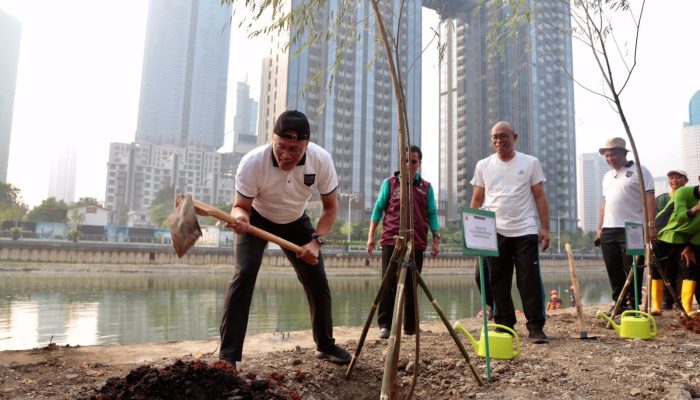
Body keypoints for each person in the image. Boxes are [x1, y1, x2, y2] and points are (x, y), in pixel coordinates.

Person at [219, 110, 350, 369]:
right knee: (244, 273)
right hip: (257, 218)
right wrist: (240, 218)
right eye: (281, 147)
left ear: (307, 145)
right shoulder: (252, 162)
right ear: (272, 139)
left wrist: (316, 242)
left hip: (295, 221)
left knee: (317, 278)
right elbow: (240, 206)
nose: (287, 155)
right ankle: (228, 357)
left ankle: (325, 344)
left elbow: (331, 208)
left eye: (295, 149)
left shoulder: (320, 161)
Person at [470, 121, 551, 342]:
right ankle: (505, 324)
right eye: (495, 137)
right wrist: (472, 230)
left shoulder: (530, 163)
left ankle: (536, 327)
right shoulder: (483, 165)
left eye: (504, 136)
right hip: (494, 232)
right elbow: (477, 199)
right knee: (497, 280)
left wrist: (545, 227)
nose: (499, 141)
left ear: (515, 136)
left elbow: (540, 196)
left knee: (529, 279)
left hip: (524, 229)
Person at [367, 145, 440, 339]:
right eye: (405, 161)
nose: (409, 165)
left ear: (419, 163)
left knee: (412, 284)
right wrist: (371, 236)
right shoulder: (390, 184)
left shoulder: (426, 187)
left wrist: (436, 239)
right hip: (392, 240)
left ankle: (410, 326)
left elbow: (431, 214)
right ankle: (385, 325)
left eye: (413, 161)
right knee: (388, 282)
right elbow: (378, 209)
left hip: (416, 242)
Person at [597, 137, 656, 315]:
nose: (610, 158)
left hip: (633, 227)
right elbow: (604, 203)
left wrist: (651, 224)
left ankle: (633, 304)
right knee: (613, 268)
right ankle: (618, 303)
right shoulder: (607, 176)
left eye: (613, 154)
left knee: (632, 268)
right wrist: (600, 228)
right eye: (607, 155)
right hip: (609, 229)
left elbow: (649, 197)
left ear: (624, 153)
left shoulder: (640, 170)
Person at [656, 183, 700, 315]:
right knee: (658, 268)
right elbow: (680, 217)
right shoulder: (682, 192)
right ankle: (656, 306)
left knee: (690, 266)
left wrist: (690, 246)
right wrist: (697, 208)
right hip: (664, 232)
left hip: (684, 238)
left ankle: (686, 308)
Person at [651, 169, 689, 314]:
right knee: (663, 269)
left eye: (678, 178)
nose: (675, 180)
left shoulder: (689, 197)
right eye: (672, 178)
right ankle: (664, 302)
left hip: (683, 238)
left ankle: (682, 302)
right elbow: (655, 217)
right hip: (663, 238)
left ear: (686, 180)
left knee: (683, 269)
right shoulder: (662, 199)